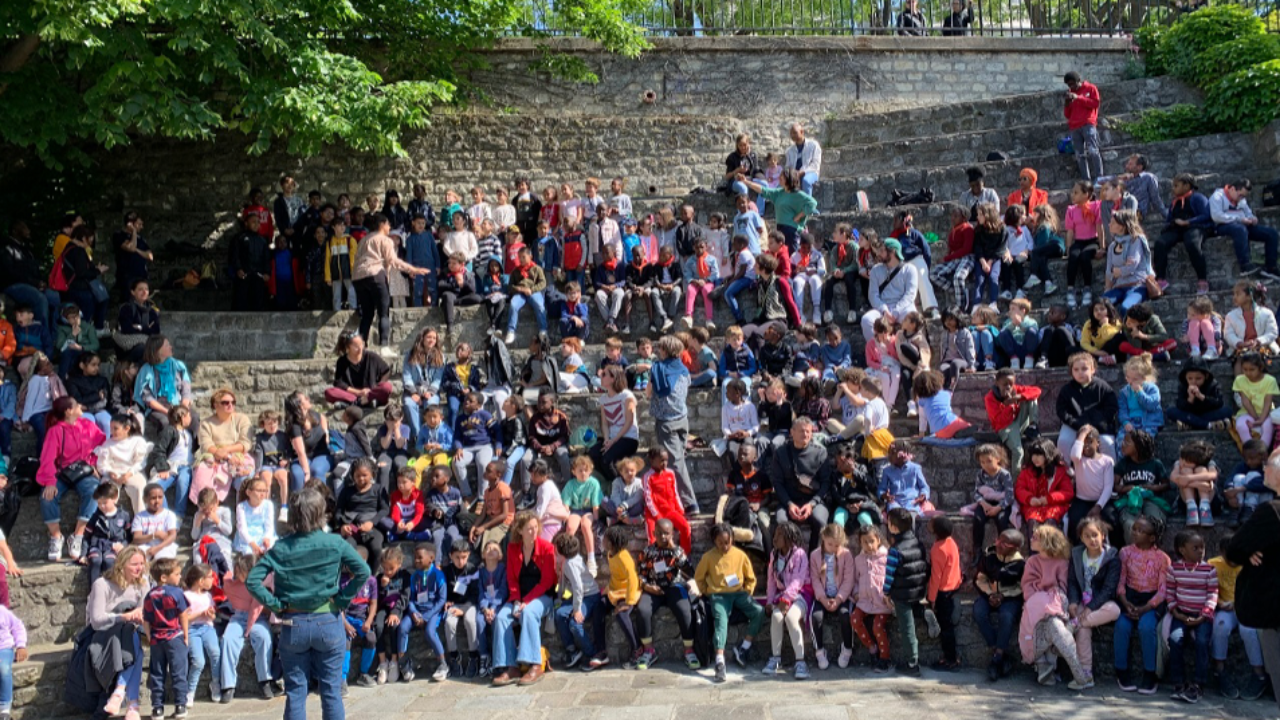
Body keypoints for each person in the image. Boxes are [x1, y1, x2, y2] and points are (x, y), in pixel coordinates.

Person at [246, 488, 370, 720]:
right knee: (332, 692)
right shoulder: (335, 542)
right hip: (329, 622)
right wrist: (342, 600)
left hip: (294, 623)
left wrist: (275, 605)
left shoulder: (281, 547)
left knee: (295, 693)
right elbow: (363, 571)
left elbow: (252, 581)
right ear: (321, 513)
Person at [490, 511, 556, 687]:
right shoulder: (512, 549)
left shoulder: (547, 548)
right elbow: (512, 579)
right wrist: (517, 600)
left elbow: (547, 581)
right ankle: (510, 666)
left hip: (542, 596)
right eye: (529, 529)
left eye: (536, 527)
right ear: (519, 530)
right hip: (518, 597)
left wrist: (526, 602)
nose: (534, 532)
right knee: (501, 618)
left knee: (528, 613)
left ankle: (535, 664)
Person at [37, 396, 105, 562]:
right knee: (47, 497)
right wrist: (50, 482)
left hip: (84, 470)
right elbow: (47, 459)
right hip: (62, 472)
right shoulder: (55, 431)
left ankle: (78, 535)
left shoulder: (87, 425)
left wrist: (94, 464)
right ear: (69, 411)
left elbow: (101, 445)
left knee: (94, 491)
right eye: (76, 405)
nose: (80, 406)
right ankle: (56, 536)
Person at [85, 546, 149, 720]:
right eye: (134, 564)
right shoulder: (102, 584)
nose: (140, 568)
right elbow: (96, 620)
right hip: (103, 634)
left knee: (132, 635)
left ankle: (121, 694)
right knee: (136, 647)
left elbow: (144, 612)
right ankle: (131, 703)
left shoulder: (142, 584)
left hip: (129, 633)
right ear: (121, 565)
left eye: (142, 564)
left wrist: (137, 615)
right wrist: (123, 616)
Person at [696, 522, 764, 684]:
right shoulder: (708, 557)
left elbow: (750, 578)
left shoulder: (740, 555)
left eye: (727, 542)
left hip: (739, 593)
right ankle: (720, 660)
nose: (725, 546)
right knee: (721, 618)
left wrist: (748, 591)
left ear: (732, 539)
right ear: (714, 541)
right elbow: (699, 579)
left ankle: (744, 648)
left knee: (758, 611)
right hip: (719, 595)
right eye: (720, 543)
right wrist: (708, 591)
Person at [352, 212, 429, 347]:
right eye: (388, 224)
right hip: (375, 273)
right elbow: (393, 261)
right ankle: (384, 345)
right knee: (384, 312)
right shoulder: (385, 240)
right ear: (382, 225)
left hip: (358, 278)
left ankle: (361, 345)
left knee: (367, 313)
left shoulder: (363, 240)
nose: (389, 227)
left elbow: (357, 259)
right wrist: (413, 269)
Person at [1114, 515, 1170, 695]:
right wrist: (1125, 602)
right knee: (1122, 626)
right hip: (1129, 598)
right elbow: (1120, 581)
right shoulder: (1125, 552)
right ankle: (1121, 670)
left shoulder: (1162, 558)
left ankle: (1150, 673)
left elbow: (1163, 590)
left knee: (1147, 627)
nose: (1135, 533)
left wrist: (1146, 607)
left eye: (1141, 531)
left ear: (1152, 537)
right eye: (1134, 529)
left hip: (1150, 602)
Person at [972, 528, 1025, 682]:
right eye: (998, 540)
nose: (998, 544)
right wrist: (990, 594)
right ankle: (1000, 652)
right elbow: (980, 579)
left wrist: (1004, 596)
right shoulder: (989, 555)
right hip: (989, 594)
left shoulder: (1020, 564)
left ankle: (997, 659)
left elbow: (1021, 587)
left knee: (1006, 617)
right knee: (979, 612)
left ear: (1014, 548)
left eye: (1003, 543)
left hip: (1010, 597)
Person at [190, 387, 254, 506]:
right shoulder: (206, 423)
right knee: (202, 473)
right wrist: (223, 455)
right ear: (216, 405)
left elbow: (245, 443)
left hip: (238, 456)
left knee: (244, 479)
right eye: (225, 402)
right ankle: (206, 509)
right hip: (214, 457)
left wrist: (227, 451)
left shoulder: (242, 419)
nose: (230, 405)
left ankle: (243, 514)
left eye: (233, 402)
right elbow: (206, 445)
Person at [1154, 174, 1213, 295]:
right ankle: (1160, 279)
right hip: (1177, 229)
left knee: (1192, 243)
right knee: (1160, 243)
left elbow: (1206, 215)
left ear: (1187, 186)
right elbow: (1169, 218)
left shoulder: (1198, 198)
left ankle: (1202, 280)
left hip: (1195, 227)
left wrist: (1188, 222)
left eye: (1176, 186)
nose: (1173, 189)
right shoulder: (1175, 202)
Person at [1211, 179, 1280, 279]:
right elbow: (1216, 216)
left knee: (1271, 234)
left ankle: (1271, 267)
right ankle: (1245, 265)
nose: (1241, 198)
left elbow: (1247, 212)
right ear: (1233, 189)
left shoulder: (1241, 199)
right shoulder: (1217, 196)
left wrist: (1252, 218)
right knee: (1240, 230)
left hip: (1243, 224)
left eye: (1244, 196)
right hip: (1223, 225)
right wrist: (1239, 219)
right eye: (1240, 195)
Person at [861, 238, 919, 342]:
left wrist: (896, 311)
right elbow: (873, 295)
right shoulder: (875, 270)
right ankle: (878, 352)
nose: (879, 254)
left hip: (903, 307)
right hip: (883, 308)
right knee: (867, 320)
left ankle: (909, 351)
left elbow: (910, 294)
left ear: (892, 252)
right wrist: (884, 310)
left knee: (912, 318)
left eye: (882, 251)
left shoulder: (910, 269)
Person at [1063, 71, 1103, 181]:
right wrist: (1067, 103)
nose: (1071, 87)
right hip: (1074, 126)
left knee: (1093, 151)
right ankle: (1086, 180)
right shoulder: (1070, 92)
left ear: (1078, 81)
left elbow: (1095, 104)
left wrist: (1078, 97)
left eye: (1073, 84)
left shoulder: (1091, 88)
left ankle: (1099, 177)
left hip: (1088, 124)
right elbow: (1067, 114)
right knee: (1079, 155)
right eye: (1069, 85)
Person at [111, 211, 154, 302]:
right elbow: (131, 248)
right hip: (127, 275)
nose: (141, 227)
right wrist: (134, 233)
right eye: (139, 224)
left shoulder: (141, 239)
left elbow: (150, 256)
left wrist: (137, 250)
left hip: (141, 274)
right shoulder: (119, 236)